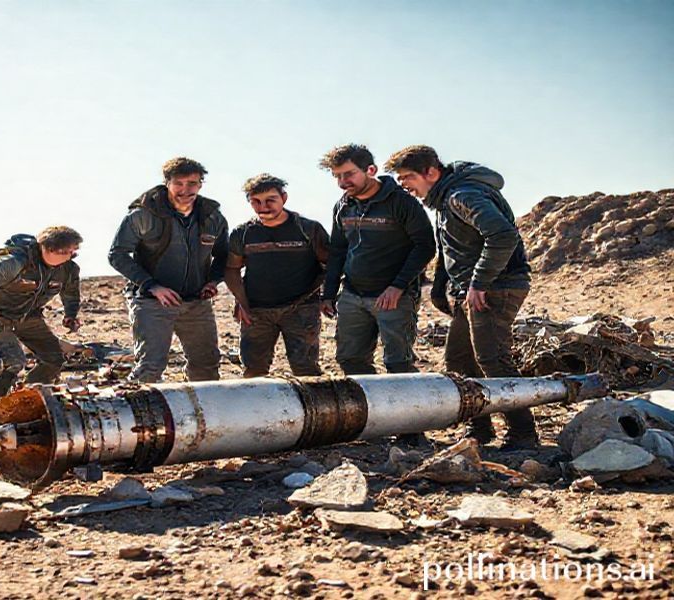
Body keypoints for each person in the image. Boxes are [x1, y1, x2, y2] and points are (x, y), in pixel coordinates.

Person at [384, 144, 539, 449]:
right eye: (400, 180)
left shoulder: (461, 195)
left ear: (431, 171)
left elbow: (503, 236)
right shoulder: (444, 199)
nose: (405, 186)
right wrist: (444, 289)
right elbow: (451, 250)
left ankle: (523, 433)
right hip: (470, 291)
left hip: (496, 287)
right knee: (459, 359)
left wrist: (479, 282)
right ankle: (479, 429)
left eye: (408, 178)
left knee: (493, 359)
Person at [108, 157, 228, 382]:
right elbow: (117, 255)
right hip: (152, 302)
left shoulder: (212, 217)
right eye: (179, 183)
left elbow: (223, 256)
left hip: (196, 303)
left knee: (206, 366)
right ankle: (140, 414)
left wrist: (213, 281)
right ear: (167, 184)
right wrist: (153, 286)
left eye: (192, 183)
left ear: (200, 184)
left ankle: (202, 413)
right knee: (150, 367)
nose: (185, 190)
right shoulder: (143, 215)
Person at [319, 144, 436, 375]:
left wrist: (397, 287)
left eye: (349, 174)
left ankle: (407, 411)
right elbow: (338, 251)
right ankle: (370, 410)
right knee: (350, 361)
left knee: (398, 364)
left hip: (394, 297)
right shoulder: (343, 206)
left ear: (370, 170)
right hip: (352, 296)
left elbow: (425, 247)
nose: (343, 182)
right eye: (337, 176)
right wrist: (329, 293)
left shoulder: (402, 203)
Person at [0, 226, 82, 411]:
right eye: (63, 252)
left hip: (29, 316)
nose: (68, 256)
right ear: (46, 247)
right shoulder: (16, 263)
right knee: (14, 362)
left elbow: (71, 295)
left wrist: (70, 315)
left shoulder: (68, 270)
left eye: (72, 252)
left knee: (54, 359)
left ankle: (26, 399)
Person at [225, 174, 330, 377]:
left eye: (270, 200)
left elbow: (330, 263)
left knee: (306, 370)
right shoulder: (243, 233)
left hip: (301, 310)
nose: (263, 206)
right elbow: (231, 269)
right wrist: (242, 302)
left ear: (284, 198)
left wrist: (324, 296)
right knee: (253, 371)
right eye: (256, 201)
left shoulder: (308, 229)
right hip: (257, 312)